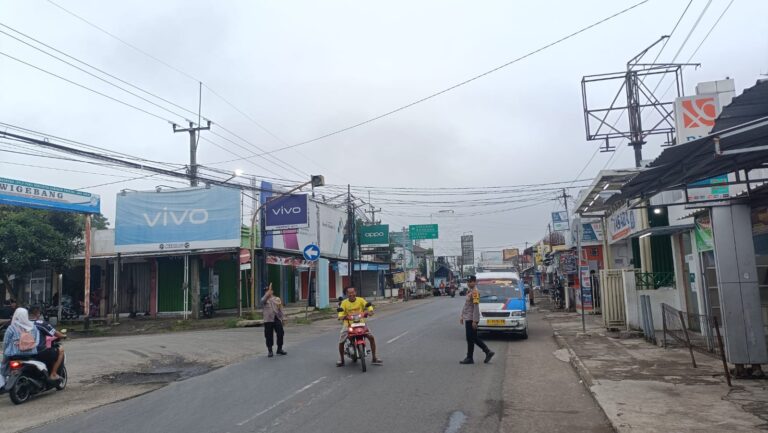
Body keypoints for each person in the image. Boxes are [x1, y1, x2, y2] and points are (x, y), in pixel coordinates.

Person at [337, 287, 381, 367]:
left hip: (361, 323)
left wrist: (370, 311)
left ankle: (374, 358)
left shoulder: (360, 300)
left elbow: (368, 305)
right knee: (341, 341)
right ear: (346, 294)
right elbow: (341, 312)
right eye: (349, 293)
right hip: (348, 324)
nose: (351, 294)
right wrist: (341, 316)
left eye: (352, 292)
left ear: (355, 292)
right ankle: (341, 360)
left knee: (371, 337)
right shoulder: (344, 303)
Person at [459, 276, 494, 365]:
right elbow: (467, 305)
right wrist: (462, 316)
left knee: (471, 338)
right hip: (469, 317)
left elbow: (476, 307)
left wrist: (475, 321)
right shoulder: (470, 291)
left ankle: (484, 352)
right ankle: (472, 356)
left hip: (472, 318)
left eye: (470, 282)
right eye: (468, 281)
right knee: (471, 338)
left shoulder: (475, 292)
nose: (468, 283)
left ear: (474, 282)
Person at [28, 306, 66, 381]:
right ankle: (53, 374)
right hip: (39, 351)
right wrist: (63, 335)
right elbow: (55, 333)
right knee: (60, 350)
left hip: (22, 352)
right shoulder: (40, 323)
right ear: (38, 314)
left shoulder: (22, 323)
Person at [2, 308, 40, 375]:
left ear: (16, 315)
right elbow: (37, 341)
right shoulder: (33, 326)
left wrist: (5, 351)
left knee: (4, 363)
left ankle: (4, 377)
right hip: (31, 353)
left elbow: (6, 342)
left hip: (14, 354)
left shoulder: (12, 327)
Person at [261, 283, 286, 358]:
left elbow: (280, 309)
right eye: (266, 291)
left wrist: (283, 318)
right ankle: (270, 351)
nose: (267, 292)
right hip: (268, 320)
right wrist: (267, 294)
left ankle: (279, 349)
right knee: (268, 335)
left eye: (269, 290)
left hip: (276, 318)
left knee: (280, 333)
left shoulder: (277, 299)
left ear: (272, 291)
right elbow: (262, 300)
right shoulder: (264, 300)